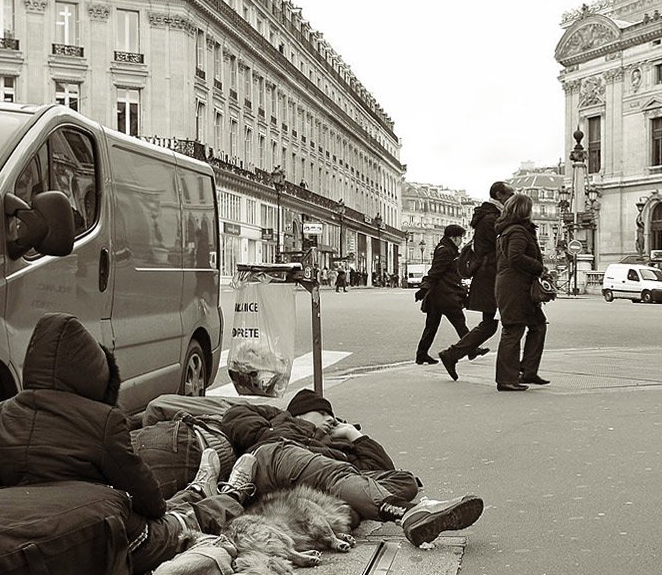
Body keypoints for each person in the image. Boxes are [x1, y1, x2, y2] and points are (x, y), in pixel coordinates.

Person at [0, 313, 247, 574]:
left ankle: (199, 489)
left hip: (28, 546)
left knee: (168, 511)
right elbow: (150, 501)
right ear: (92, 374)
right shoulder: (103, 421)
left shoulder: (1, 414)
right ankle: (228, 494)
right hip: (106, 543)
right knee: (180, 521)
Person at [217, 389, 484, 548]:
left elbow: (381, 469)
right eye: (323, 413)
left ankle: (371, 507)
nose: (331, 419)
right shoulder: (278, 421)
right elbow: (236, 420)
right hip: (273, 461)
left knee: (404, 481)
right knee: (336, 476)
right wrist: (307, 428)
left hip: (312, 484)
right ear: (300, 412)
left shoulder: (337, 447)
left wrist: (352, 435)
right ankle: (408, 513)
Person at [438, 181, 516, 382]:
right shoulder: (491, 219)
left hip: (489, 274)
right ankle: (453, 354)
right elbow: (496, 249)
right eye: (510, 194)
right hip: (491, 275)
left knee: (493, 324)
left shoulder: (489, 216)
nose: (512, 198)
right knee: (506, 323)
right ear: (499, 195)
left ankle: (453, 354)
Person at [493, 194, 549, 391]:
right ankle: (506, 378)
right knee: (513, 330)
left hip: (515, 286)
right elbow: (515, 257)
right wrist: (538, 268)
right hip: (515, 287)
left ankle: (528, 371)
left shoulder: (508, 230)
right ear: (524, 211)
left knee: (538, 325)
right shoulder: (516, 231)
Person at [414, 224, 470, 365]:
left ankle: (421, 354)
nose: (461, 241)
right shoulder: (446, 251)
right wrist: (424, 287)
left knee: (431, 327)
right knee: (459, 322)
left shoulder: (445, 248)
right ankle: (471, 348)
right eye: (460, 238)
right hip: (445, 294)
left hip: (437, 295)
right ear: (453, 238)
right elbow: (436, 271)